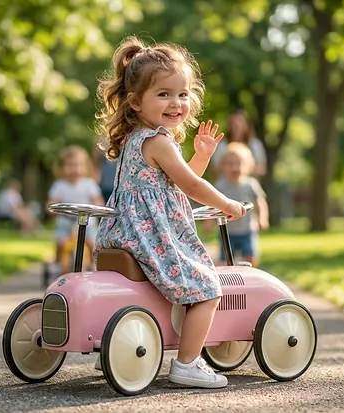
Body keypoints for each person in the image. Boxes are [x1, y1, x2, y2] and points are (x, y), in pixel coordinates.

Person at [91, 36, 247, 389]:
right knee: (207, 288)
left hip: (127, 233)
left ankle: (123, 346)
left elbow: (178, 182)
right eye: (163, 94)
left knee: (191, 282)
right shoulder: (158, 141)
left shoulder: (140, 137)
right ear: (135, 102)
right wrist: (228, 205)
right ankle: (188, 363)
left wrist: (202, 156)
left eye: (183, 94)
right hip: (149, 237)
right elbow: (191, 188)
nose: (176, 102)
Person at [46, 145, 104, 271]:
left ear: (85, 167)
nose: (74, 169)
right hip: (66, 223)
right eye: (70, 165)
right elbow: (52, 201)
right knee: (60, 243)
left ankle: (93, 265)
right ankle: (57, 263)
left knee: (91, 243)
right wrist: (51, 207)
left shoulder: (89, 184)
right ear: (62, 168)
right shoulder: (60, 185)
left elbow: (97, 200)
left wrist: (98, 207)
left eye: (78, 165)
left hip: (87, 224)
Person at [212, 142, 270, 267]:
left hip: (247, 230)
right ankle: (227, 281)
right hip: (227, 231)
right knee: (225, 260)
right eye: (230, 164)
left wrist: (262, 218)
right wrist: (208, 222)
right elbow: (213, 204)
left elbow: (260, 202)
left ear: (248, 166)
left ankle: (250, 278)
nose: (235, 168)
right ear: (223, 166)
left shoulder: (250, 184)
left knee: (251, 256)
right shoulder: (221, 185)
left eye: (239, 163)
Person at [211, 109, 267, 178]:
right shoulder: (222, 145)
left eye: (240, 122)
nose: (237, 125)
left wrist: (242, 168)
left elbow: (261, 169)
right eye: (233, 123)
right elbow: (215, 168)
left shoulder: (255, 145)